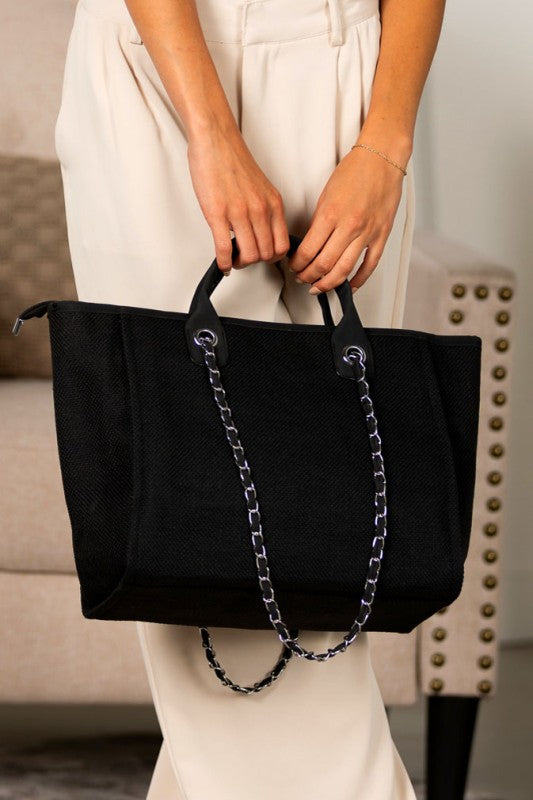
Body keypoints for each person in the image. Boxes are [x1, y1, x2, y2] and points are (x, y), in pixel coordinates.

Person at [54, 0, 446, 796]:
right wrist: (212, 133)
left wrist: (386, 142)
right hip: (161, 69)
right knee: (197, 524)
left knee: (329, 519)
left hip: (350, 67)